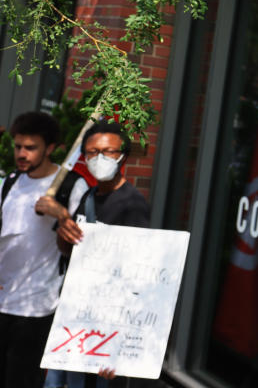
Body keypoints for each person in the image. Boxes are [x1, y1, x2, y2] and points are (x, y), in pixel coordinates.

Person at [56, 121, 150, 388]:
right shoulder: (89, 196)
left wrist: (118, 345)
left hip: (110, 322)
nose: (99, 158)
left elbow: (139, 274)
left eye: (107, 151)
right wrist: (63, 234)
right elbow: (69, 252)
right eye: (92, 152)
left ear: (123, 156)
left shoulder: (133, 204)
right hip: (81, 315)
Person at [0, 112, 88, 388]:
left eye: (31, 147)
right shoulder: (10, 182)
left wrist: (61, 216)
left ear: (50, 148)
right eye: (18, 147)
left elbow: (80, 249)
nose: (22, 153)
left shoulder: (72, 186)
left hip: (37, 306)